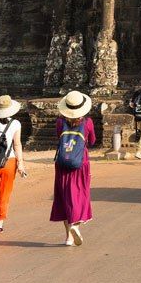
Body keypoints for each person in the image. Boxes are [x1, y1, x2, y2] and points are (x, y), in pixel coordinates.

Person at [50, 90, 96, 246]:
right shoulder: (87, 122)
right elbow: (92, 140)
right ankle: (75, 224)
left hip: (62, 163)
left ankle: (68, 237)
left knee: (64, 197)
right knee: (79, 194)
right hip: (80, 163)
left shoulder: (60, 122)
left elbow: (59, 138)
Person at [0, 94, 26, 234]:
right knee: (5, 192)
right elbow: (17, 144)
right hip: (10, 161)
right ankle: (0, 223)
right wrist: (21, 164)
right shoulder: (15, 124)